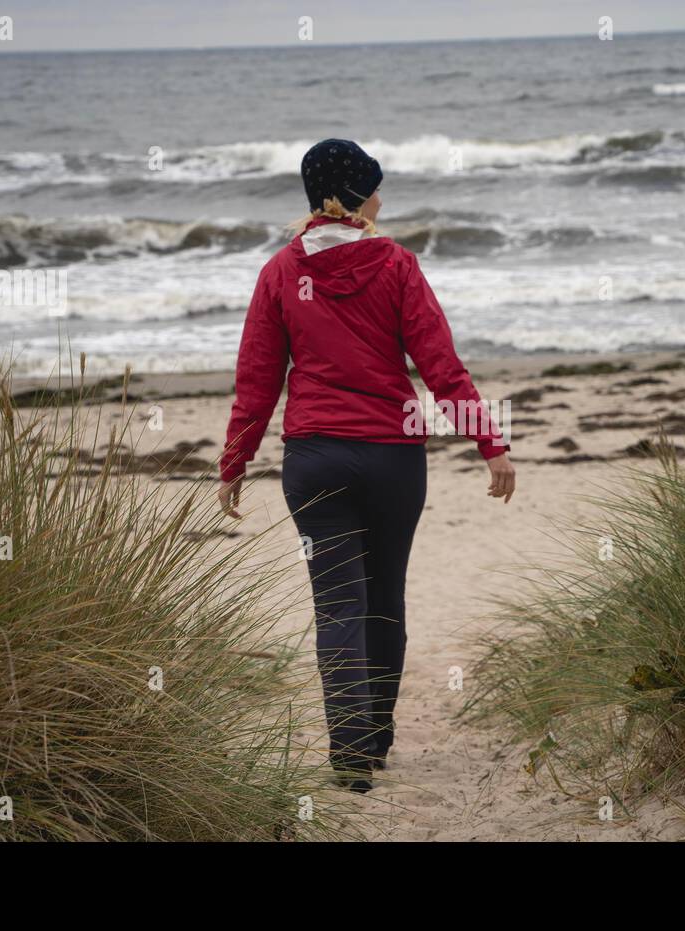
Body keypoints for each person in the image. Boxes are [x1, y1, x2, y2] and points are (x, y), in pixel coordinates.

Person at [217, 139, 515, 793]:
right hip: (392, 457)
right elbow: (441, 365)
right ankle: (374, 739)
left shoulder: (278, 272)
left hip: (315, 458)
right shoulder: (397, 264)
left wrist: (234, 460)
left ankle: (351, 757)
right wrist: (489, 442)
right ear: (353, 195)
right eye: (375, 186)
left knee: (338, 606)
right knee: (384, 598)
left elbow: (258, 381)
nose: (382, 198)